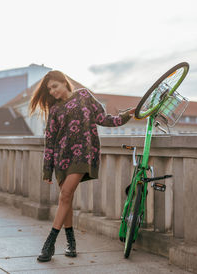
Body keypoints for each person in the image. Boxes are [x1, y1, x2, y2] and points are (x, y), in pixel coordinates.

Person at [29, 70, 135, 262]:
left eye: (55, 86)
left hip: (83, 155)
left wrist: (126, 116)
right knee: (66, 198)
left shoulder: (84, 95)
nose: (52, 91)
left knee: (66, 195)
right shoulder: (54, 110)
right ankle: (71, 243)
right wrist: (47, 168)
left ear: (64, 82)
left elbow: (103, 119)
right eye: (49, 89)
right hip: (62, 159)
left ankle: (49, 243)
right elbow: (50, 141)